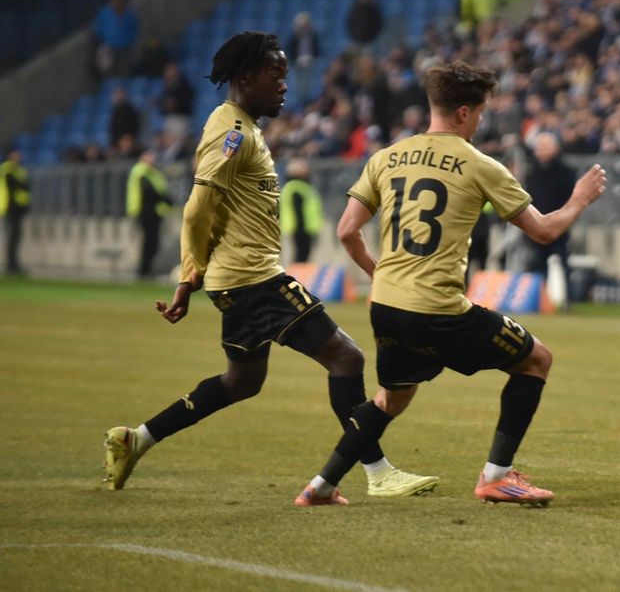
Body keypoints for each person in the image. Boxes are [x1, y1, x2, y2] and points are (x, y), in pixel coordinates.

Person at [103, 32, 436, 499]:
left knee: (242, 381)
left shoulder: (244, 127)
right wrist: (188, 276)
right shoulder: (233, 134)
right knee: (346, 357)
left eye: (285, 76)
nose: (284, 86)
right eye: (275, 76)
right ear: (245, 77)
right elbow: (197, 209)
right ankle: (377, 471)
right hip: (253, 278)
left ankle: (136, 439)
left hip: (237, 280)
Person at [293, 60, 606, 506]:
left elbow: (347, 231)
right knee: (536, 359)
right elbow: (544, 231)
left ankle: (320, 487)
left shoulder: (386, 157)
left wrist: (378, 273)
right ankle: (497, 476)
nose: (479, 123)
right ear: (463, 112)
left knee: (391, 399)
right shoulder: (480, 164)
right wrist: (578, 200)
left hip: (386, 304)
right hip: (438, 309)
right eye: (479, 114)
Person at [522, 132, 577, 294]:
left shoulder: (565, 172)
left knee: (562, 260)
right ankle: (541, 297)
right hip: (536, 223)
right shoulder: (531, 172)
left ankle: (568, 297)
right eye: (540, 147)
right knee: (538, 262)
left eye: (546, 147)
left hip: (559, 224)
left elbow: (569, 199)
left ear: (555, 148)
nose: (542, 150)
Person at [126, 149, 173, 278]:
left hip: (154, 212)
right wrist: (165, 200)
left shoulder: (151, 172)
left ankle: (146, 268)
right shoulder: (142, 171)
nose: (152, 159)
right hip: (146, 212)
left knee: (151, 242)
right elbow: (150, 191)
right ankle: (144, 269)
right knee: (149, 242)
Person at [280, 157, 323, 263]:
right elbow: (298, 211)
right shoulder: (296, 187)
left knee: (301, 255)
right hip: (300, 229)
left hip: (301, 228)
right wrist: (302, 229)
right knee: (301, 256)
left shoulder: (297, 186)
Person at [93, 0, 140, 79]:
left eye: (120, 0)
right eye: (116, 0)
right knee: (108, 71)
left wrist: (128, 41)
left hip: (125, 48)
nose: (118, 2)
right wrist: (103, 42)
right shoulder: (105, 13)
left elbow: (134, 30)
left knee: (125, 71)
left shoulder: (130, 14)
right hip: (108, 48)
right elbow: (98, 28)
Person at [0, 149, 30, 275]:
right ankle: (11, 266)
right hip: (8, 208)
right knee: (12, 237)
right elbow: (17, 185)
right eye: (15, 155)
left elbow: (26, 187)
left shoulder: (20, 170)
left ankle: (14, 265)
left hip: (18, 209)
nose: (17, 157)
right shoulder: (6, 169)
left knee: (16, 237)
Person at [287, 12, 321, 107]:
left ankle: (308, 100)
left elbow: (317, 49)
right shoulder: (294, 37)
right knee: (299, 83)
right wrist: (294, 60)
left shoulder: (313, 36)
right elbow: (290, 50)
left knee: (308, 83)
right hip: (298, 63)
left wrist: (313, 58)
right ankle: (300, 100)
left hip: (310, 61)